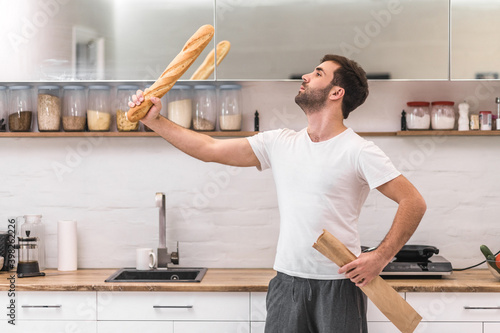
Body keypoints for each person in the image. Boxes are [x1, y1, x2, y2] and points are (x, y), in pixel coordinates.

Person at [130, 54, 426, 333]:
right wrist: (155, 120)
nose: (306, 75)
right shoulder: (280, 143)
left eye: (318, 73)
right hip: (287, 284)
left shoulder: (359, 151)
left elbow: (413, 202)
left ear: (337, 93)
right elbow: (209, 149)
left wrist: (380, 257)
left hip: (339, 286)